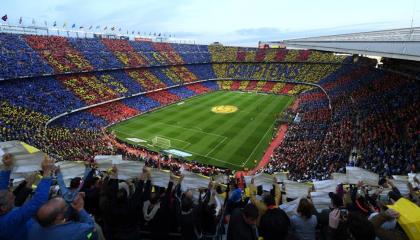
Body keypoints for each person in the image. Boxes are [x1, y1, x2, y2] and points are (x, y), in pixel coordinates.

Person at [0, 153, 54, 240]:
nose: (13, 196)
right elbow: (38, 202)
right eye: (11, 197)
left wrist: (7, 167)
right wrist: (47, 172)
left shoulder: (3, 205)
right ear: (3, 208)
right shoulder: (10, 220)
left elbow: (2, 189)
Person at [28, 192, 95, 240]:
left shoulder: (32, 228)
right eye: (65, 206)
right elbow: (90, 226)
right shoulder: (76, 231)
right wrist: (80, 209)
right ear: (59, 216)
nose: (68, 206)